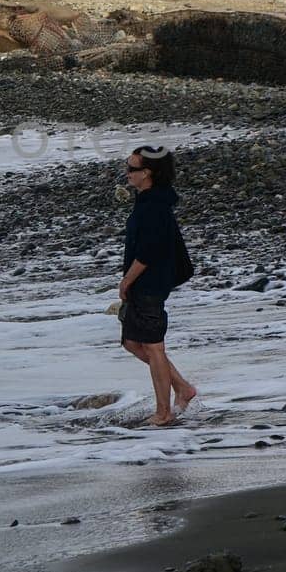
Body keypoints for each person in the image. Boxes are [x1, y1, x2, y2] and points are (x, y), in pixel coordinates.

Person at [118, 145, 197, 426]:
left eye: (131, 169)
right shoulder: (148, 200)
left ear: (147, 173)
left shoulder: (154, 206)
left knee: (153, 347)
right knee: (132, 342)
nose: (126, 173)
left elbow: (149, 252)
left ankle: (163, 412)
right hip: (145, 283)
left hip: (149, 283)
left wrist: (127, 280)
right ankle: (183, 387)